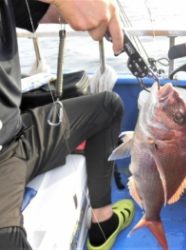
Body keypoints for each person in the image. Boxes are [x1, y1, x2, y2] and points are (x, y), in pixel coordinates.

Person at [0, 0, 135, 250]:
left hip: (15, 139)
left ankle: (102, 222)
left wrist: (84, 11)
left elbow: (44, 11)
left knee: (108, 106)